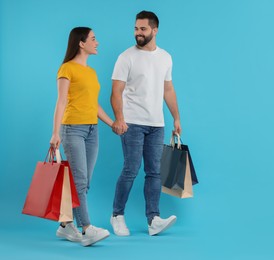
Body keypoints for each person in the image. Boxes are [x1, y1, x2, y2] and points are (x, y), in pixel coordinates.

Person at [110, 10, 181, 236]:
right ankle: (117, 215)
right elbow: (116, 91)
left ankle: (153, 220)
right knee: (131, 169)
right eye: (135, 28)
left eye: (142, 29)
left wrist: (176, 118)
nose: (137, 33)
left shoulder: (166, 57)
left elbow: (167, 89)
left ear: (154, 30)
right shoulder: (126, 57)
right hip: (132, 123)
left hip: (156, 124)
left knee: (154, 172)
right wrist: (120, 119)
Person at [50, 27, 112, 246]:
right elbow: (61, 101)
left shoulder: (91, 73)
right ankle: (87, 229)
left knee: (83, 184)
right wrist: (55, 132)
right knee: (79, 181)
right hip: (72, 129)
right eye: (94, 39)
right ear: (81, 43)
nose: (97, 42)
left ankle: (66, 225)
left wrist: (112, 123)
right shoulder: (67, 68)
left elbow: (93, 105)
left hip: (92, 130)